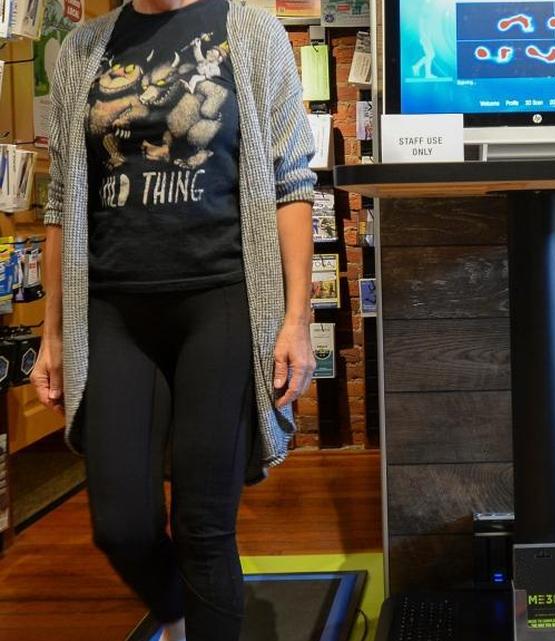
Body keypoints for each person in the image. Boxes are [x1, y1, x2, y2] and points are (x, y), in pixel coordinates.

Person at [29, 0, 319, 639]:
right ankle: (179, 610)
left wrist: (296, 319)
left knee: (203, 527)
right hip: (109, 310)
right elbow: (59, 206)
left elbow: (291, 181)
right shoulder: (83, 47)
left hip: (218, 301)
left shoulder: (250, 30)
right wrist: (51, 334)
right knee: (122, 526)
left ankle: (204, 610)